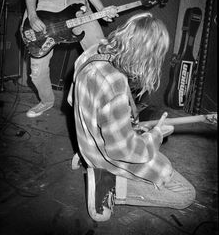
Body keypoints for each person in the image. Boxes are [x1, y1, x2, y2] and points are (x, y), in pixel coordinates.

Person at [68, 12, 196, 221]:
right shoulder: (115, 83)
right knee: (186, 195)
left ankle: (86, 160)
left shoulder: (91, 53)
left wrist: (128, 126)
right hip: (105, 157)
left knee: (140, 133)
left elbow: (72, 101)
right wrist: (155, 137)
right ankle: (111, 185)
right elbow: (123, 150)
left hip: (87, 145)